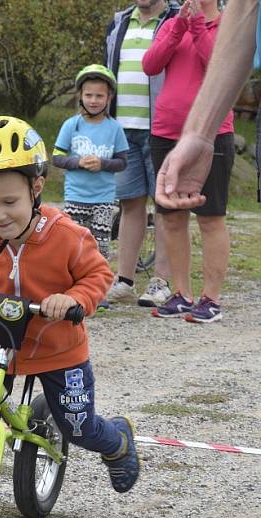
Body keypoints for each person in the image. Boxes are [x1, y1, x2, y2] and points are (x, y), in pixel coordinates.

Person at [0, 116, 140, 498]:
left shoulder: (66, 236)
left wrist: (73, 298)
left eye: (9, 202)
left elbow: (98, 276)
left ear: (36, 187)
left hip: (58, 349)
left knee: (77, 426)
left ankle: (117, 442)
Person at [143, 0, 233, 323]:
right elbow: (150, 65)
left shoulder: (228, 27)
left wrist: (195, 26)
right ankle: (181, 293)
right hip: (166, 133)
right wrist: (180, 26)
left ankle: (211, 298)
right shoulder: (170, 24)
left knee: (210, 216)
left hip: (211, 134)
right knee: (171, 216)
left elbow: (219, 65)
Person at [105, 0, 179, 307]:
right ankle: (124, 280)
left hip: (162, 126)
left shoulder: (175, 17)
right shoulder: (120, 21)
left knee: (164, 204)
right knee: (130, 204)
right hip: (123, 128)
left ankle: (160, 282)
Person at [156, 0, 257, 210]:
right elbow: (244, 10)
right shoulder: (173, 23)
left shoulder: (217, 24)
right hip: (166, 131)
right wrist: (199, 135)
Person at [52, 65, 128, 270]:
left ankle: (100, 293)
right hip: (75, 196)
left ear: (109, 98)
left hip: (103, 199)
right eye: (89, 95)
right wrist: (78, 162)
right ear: (80, 96)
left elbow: (122, 162)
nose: (94, 100)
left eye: (99, 96)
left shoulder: (115, 128)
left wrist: (102, 164)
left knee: (100, 246)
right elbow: (57, 158)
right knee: (73, 245)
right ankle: (74, 286)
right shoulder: (71, 125)